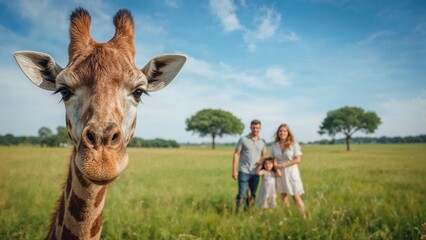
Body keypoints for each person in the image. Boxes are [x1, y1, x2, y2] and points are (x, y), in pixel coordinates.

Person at [270, 123, 306, 217]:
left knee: (295, 196)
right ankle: (288, 216)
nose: (282, 132)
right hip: (280, 173)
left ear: (288, 132)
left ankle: (304, 217)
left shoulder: (293, 143)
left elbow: (298, 159)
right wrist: (276, 168)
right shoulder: (275, 145)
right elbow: (272, 159)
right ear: (278, 133)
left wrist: (284, 165)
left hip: (291, 172)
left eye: (284, 131)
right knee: (283, 195)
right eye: (280, 131)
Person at [232, 119, 267, 211]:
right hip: (244, 171)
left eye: (257, 128)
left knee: (252, 195)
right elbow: (236, 154)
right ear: (250, 128)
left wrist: (262, 165)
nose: (255, 130)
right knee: (242, 194)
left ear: (260, 129)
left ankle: (248, 212)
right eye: (253, 128)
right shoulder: (243, 139)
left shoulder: (262, 141)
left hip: (256, 173)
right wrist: (234, 170)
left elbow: (264, 156)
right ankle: (238, 213)